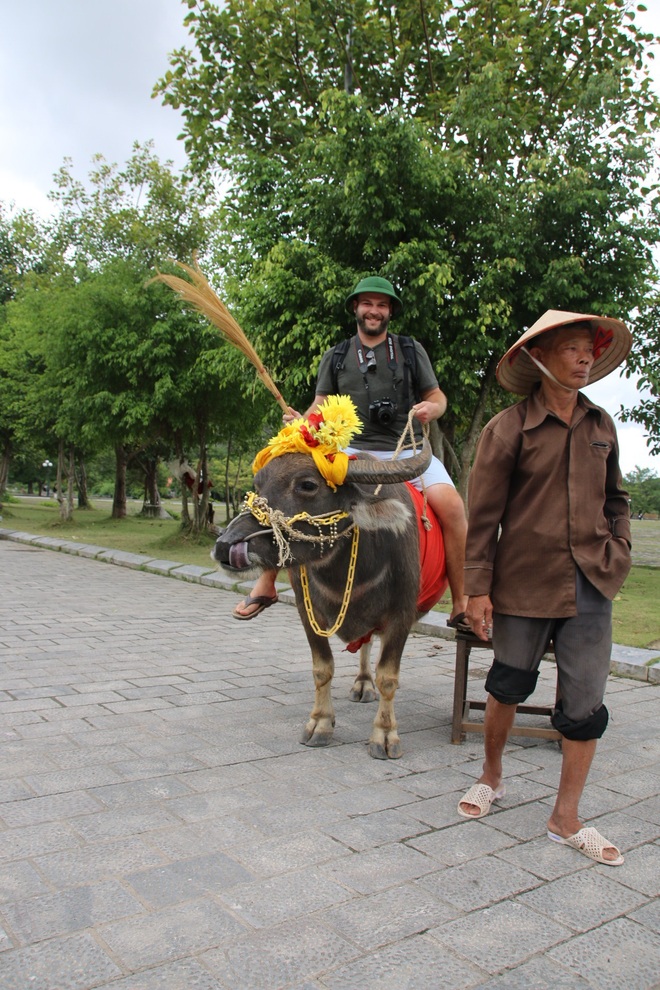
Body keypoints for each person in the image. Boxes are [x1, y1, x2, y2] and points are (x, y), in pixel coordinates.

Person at [458, 309, 632, 867]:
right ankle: (491, 775)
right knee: (507, 684)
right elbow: (481, 519)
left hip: (591, 583)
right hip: (523, 583)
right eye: (573, 349)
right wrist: (477, 591)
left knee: (585, 707)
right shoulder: (507, 429)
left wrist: (619, 550)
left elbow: (617, 499)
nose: (585, 358)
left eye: (590, 351)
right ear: (538, 357)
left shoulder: (601, 425)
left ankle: (566, 818)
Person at [233, 275, 469, 625]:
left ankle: (461, 602)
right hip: (347, 454)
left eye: (382, 304)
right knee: (287, 497)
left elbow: (436, 397)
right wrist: (303, 421)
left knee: (452, 508)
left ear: (390, 311)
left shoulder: (409, 349)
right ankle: (267, 582)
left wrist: (431, 409)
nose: (374, 311)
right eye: (368, 303)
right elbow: (320, 405)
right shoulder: (337, 355)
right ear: (356, 308)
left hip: (407, 452)